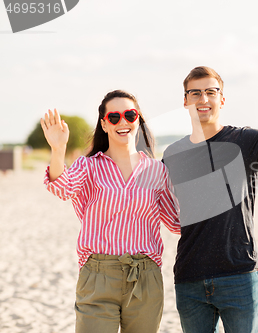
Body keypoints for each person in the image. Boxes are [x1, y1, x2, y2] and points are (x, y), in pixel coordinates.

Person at [162, 57, 258, 333]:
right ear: (185, 101)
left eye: (210, 91)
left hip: (239, 274)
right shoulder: (172, 154)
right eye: (195, 92)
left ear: (222, 99)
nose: (203, 98)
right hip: (189, 278)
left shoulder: (245, 141)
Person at [42, 90, 180, 333]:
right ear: (104, 125)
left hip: (145, 276)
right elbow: (62, 187)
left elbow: (178, 223)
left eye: (129, 114)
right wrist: (58, 148)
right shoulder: (89, 166)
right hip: (97, 276)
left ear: (138, 120)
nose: (123, 122)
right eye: (114, 117)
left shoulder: (157, 171)